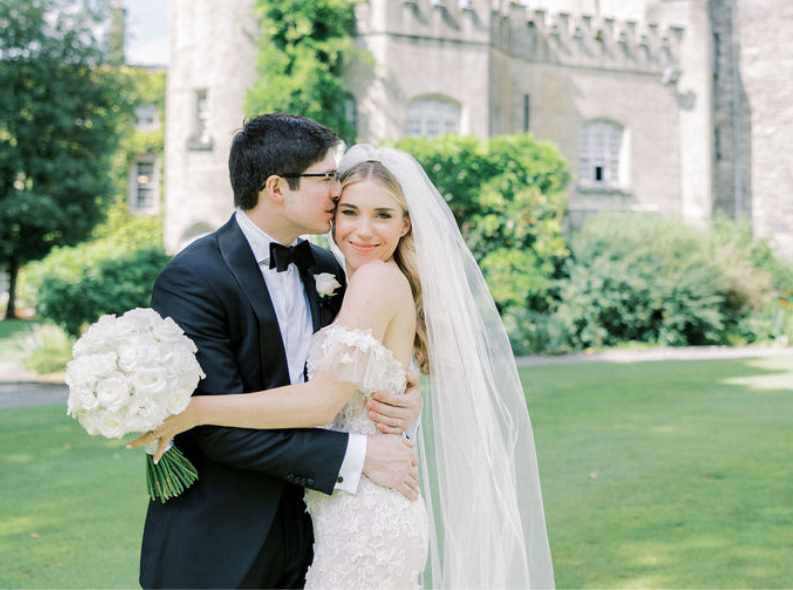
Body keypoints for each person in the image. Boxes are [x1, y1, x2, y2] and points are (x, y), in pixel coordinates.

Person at [134, 143, 555, 589]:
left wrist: (197, 410)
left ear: (406, 223)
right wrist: (402, 410)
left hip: (365, 514)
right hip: (328, 508)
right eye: (349, 210)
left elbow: (320, 402)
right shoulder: (334, 271)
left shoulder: (370, 278)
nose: (363, 230)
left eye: (383, 216)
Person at [137, 114, 423, 590]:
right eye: (326, 177)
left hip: (321, 529)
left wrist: (404, 398)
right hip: (224, 543)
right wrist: (358, 454)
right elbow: (218, 436)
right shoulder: (195, 278)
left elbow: (356, 377)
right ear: (276, 187)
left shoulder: (334, 266)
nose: (337, 191)